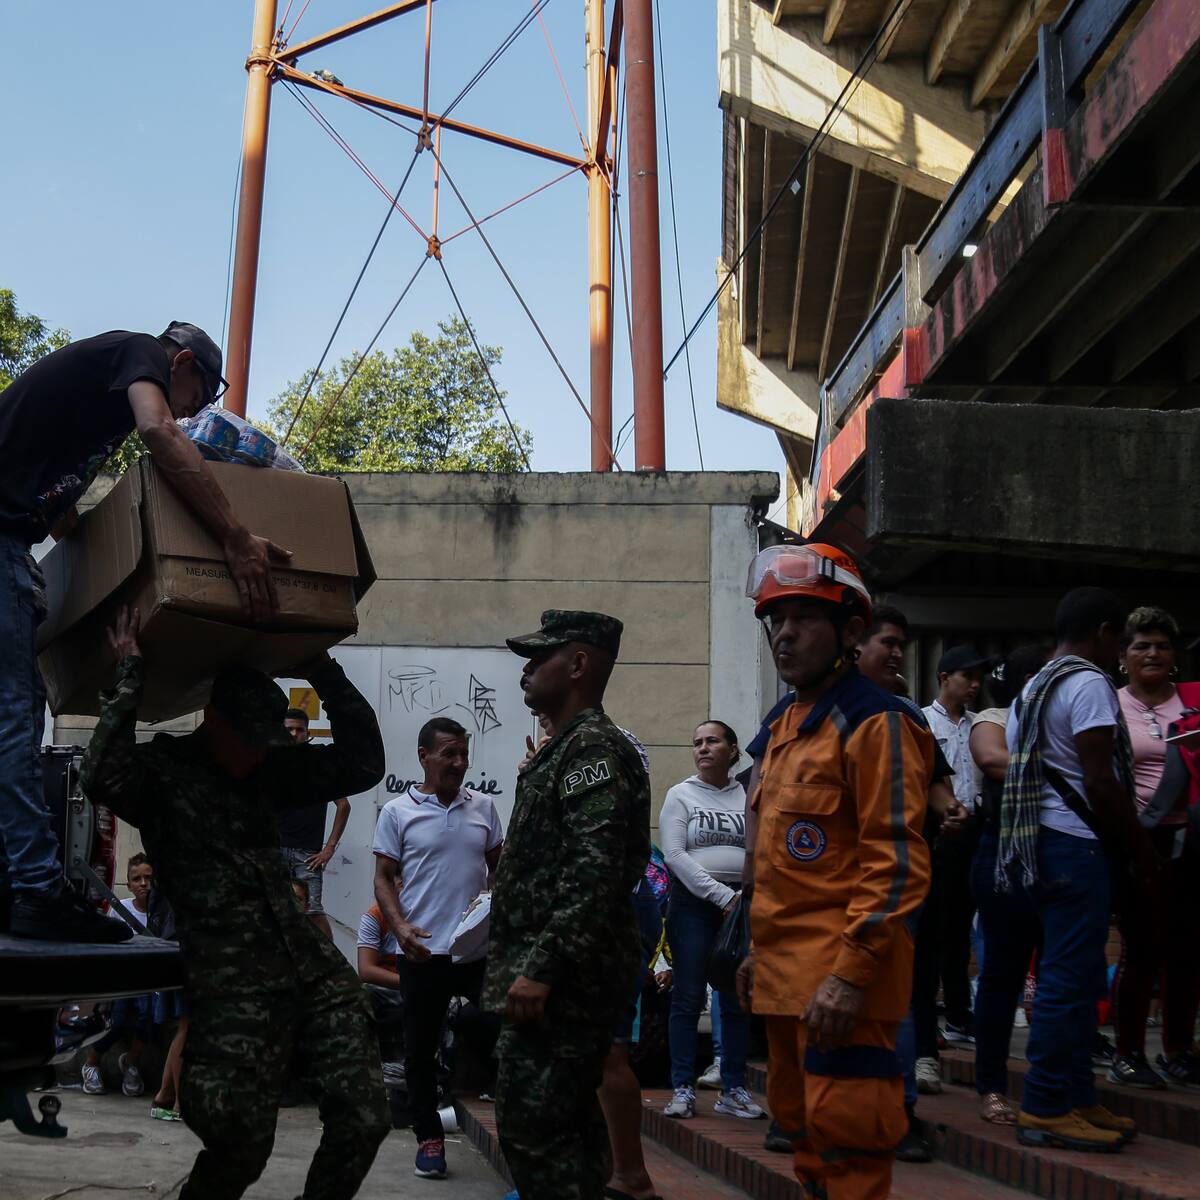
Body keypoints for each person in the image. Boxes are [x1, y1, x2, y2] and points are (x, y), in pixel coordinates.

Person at [80, 604, 389, 1200]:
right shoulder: (164, 774)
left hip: (309, 968)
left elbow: (362, 762)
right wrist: (129, 676)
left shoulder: (266, 769)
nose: (262, 752)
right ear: (214, 719)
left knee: (365, 1117)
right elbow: (100, 775)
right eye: (251, 740)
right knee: (239, 1147)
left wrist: (322, 671)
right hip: (233, 985)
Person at [2, 322, 290, 943]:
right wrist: (233, 536)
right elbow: (160, 431)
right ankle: (34, 890)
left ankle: (17, 885)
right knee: (14, 722)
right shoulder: (136, 352)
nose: (188, 412)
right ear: (179, 362)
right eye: (196, 397)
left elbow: (63, 516)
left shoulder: (94, 412)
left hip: (13, 538)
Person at [736, 544, 932, 1200]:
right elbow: (778, 863)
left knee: (849, 1143)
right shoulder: (786, 724)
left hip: (843, 989)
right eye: (776, 620)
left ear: (850, 631)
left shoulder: (877, 723)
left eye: (804, 618)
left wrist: (849, 977)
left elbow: (896, 862)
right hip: (785, 982)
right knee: (801, 1134)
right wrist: (756, 952)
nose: (784, 634)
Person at [482, 610, 649, 1200]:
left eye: (539, 656)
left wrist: (543, 968)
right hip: (554, 980)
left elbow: (593, 873)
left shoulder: (591, 749)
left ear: (578, 664)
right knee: (568, 1136)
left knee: (537, 1132)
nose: (526, 669)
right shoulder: (566, 749)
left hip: (562, 987)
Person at [1000, 587, 1153, 1151]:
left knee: (1080, 976)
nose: (1121, 653)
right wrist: (1139, 846)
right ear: (1105, 632)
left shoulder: (1032, 688)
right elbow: (1099, 779)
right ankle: (1045, 1105)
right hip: (1075, 845)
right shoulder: (1088, 682)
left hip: (1040, 843)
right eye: (1121, 640)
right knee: (1068, 981)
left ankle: (1078, 1096)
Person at [372, 716, 504, 1180]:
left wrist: (492, 905)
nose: (459, 763)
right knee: (419, 1048)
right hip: (422, 952)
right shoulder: (397, 812)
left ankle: (514, 1126)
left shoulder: (484, 806)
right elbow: (383, 877)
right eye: (449, 753)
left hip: (475, 951)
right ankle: (429, 1137)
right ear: (423, 756)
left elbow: (498, 866)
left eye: (464, 753)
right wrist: (400, 927)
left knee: (503, 1031)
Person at [1110, 607, 1200, 1088]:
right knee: (1142, 947)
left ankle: (1180, 1051)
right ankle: (1128, 1053)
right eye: (1142, 645)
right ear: (1123, 655)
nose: (1153, 654)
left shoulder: (1193, 701)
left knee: (1188, 949)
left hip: (1191, 837)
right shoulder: (1109, 705)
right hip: (1139, 839)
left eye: (1163, 646)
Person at [660, 721, 763, 1121]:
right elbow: (674, 855)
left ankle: (732, 1087)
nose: (702, 748)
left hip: (740, 905)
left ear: (733, 750)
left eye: (712, 741)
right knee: (687, 997)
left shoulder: (748, 794)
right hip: (695, 904)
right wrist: (722, 896)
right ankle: (682, 1087)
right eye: (697, 743)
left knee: (736, 995)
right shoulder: (681, 794)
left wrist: (740, 899)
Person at [969, 644, 1050, 1125]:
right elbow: (993, 760)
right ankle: (992, 1086)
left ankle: (1054, 1085)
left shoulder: (1058, 727)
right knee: (1002, 975)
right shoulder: (994, 718)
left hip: (1055, 856)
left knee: (1060, 975)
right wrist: (1064, 768)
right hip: (1004, 858)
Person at [920, 645, 990, 1048]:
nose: (974, 685)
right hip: (939, 833)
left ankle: (960, 1014)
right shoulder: (922, 722)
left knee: (963, 926)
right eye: (967, 676)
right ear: (944, 677)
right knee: (936, 926)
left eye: (978, 678)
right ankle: (929, 1014)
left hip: (975, 830)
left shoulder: (981, 725)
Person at [82, 853, 157, 1097]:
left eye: (148, 878)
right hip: (124, 980)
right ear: (129, 883)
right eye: (137, 879)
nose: (143, 883)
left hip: (149, 982)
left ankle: (130, 1062)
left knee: (149, 1019)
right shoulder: (120, 909)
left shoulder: (161, 912)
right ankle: (91, 1063)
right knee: (117, 1021)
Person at [279, 707, 352, 939]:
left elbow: (343, 805)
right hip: (276, 850)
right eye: (289, 729)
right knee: (275, 908)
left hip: (307, 854)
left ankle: (331, 960)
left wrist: (329, 848)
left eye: (299, 729)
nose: (294, 734)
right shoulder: (271, 763)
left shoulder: (317, 764)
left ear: (307, 733)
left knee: (314, 911)